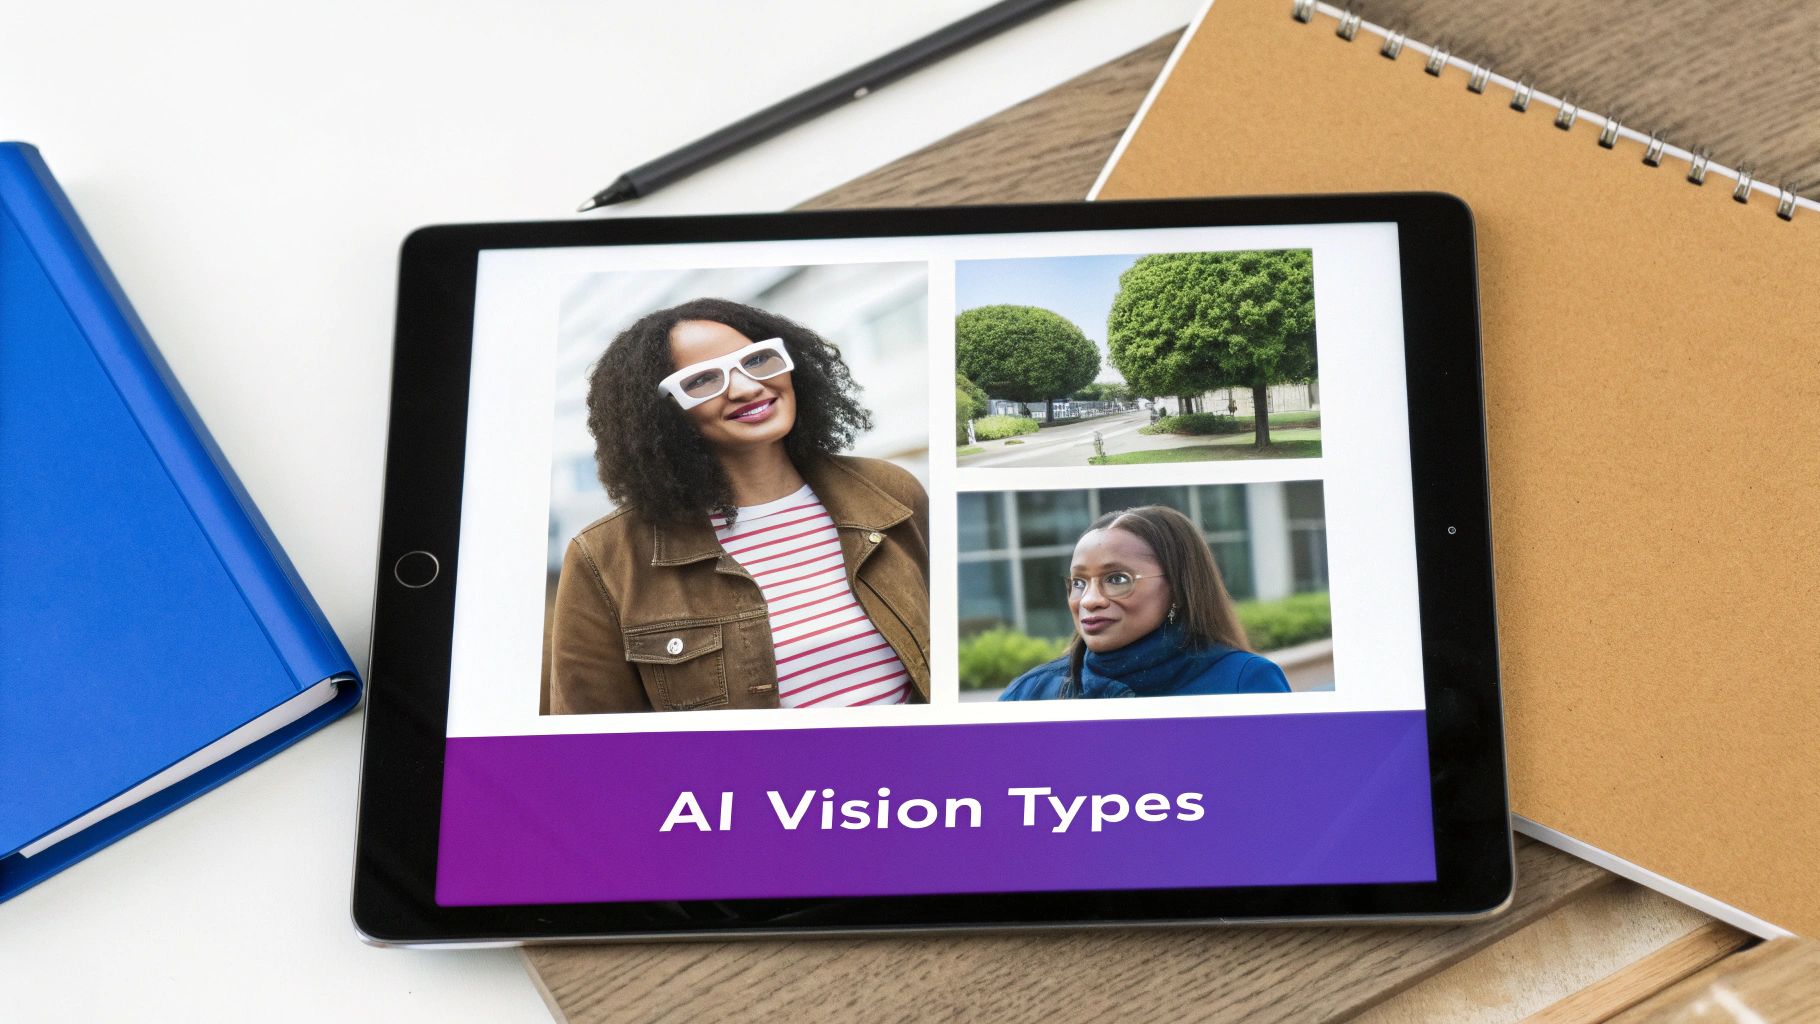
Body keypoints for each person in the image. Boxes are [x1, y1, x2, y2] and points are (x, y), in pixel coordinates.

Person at [549, 298, 929, 714]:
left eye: (759, 360)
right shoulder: (604, 558)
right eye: (701, 381)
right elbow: (592, 741)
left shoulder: (890, 491)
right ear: (658, 412)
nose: (747, 388)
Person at [999, 505, 1290, 700]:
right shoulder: (1030, 693)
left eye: (1116, 579)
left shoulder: (1245, 681)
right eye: (1079, 582)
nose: (1090, 600)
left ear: (1177, 589)